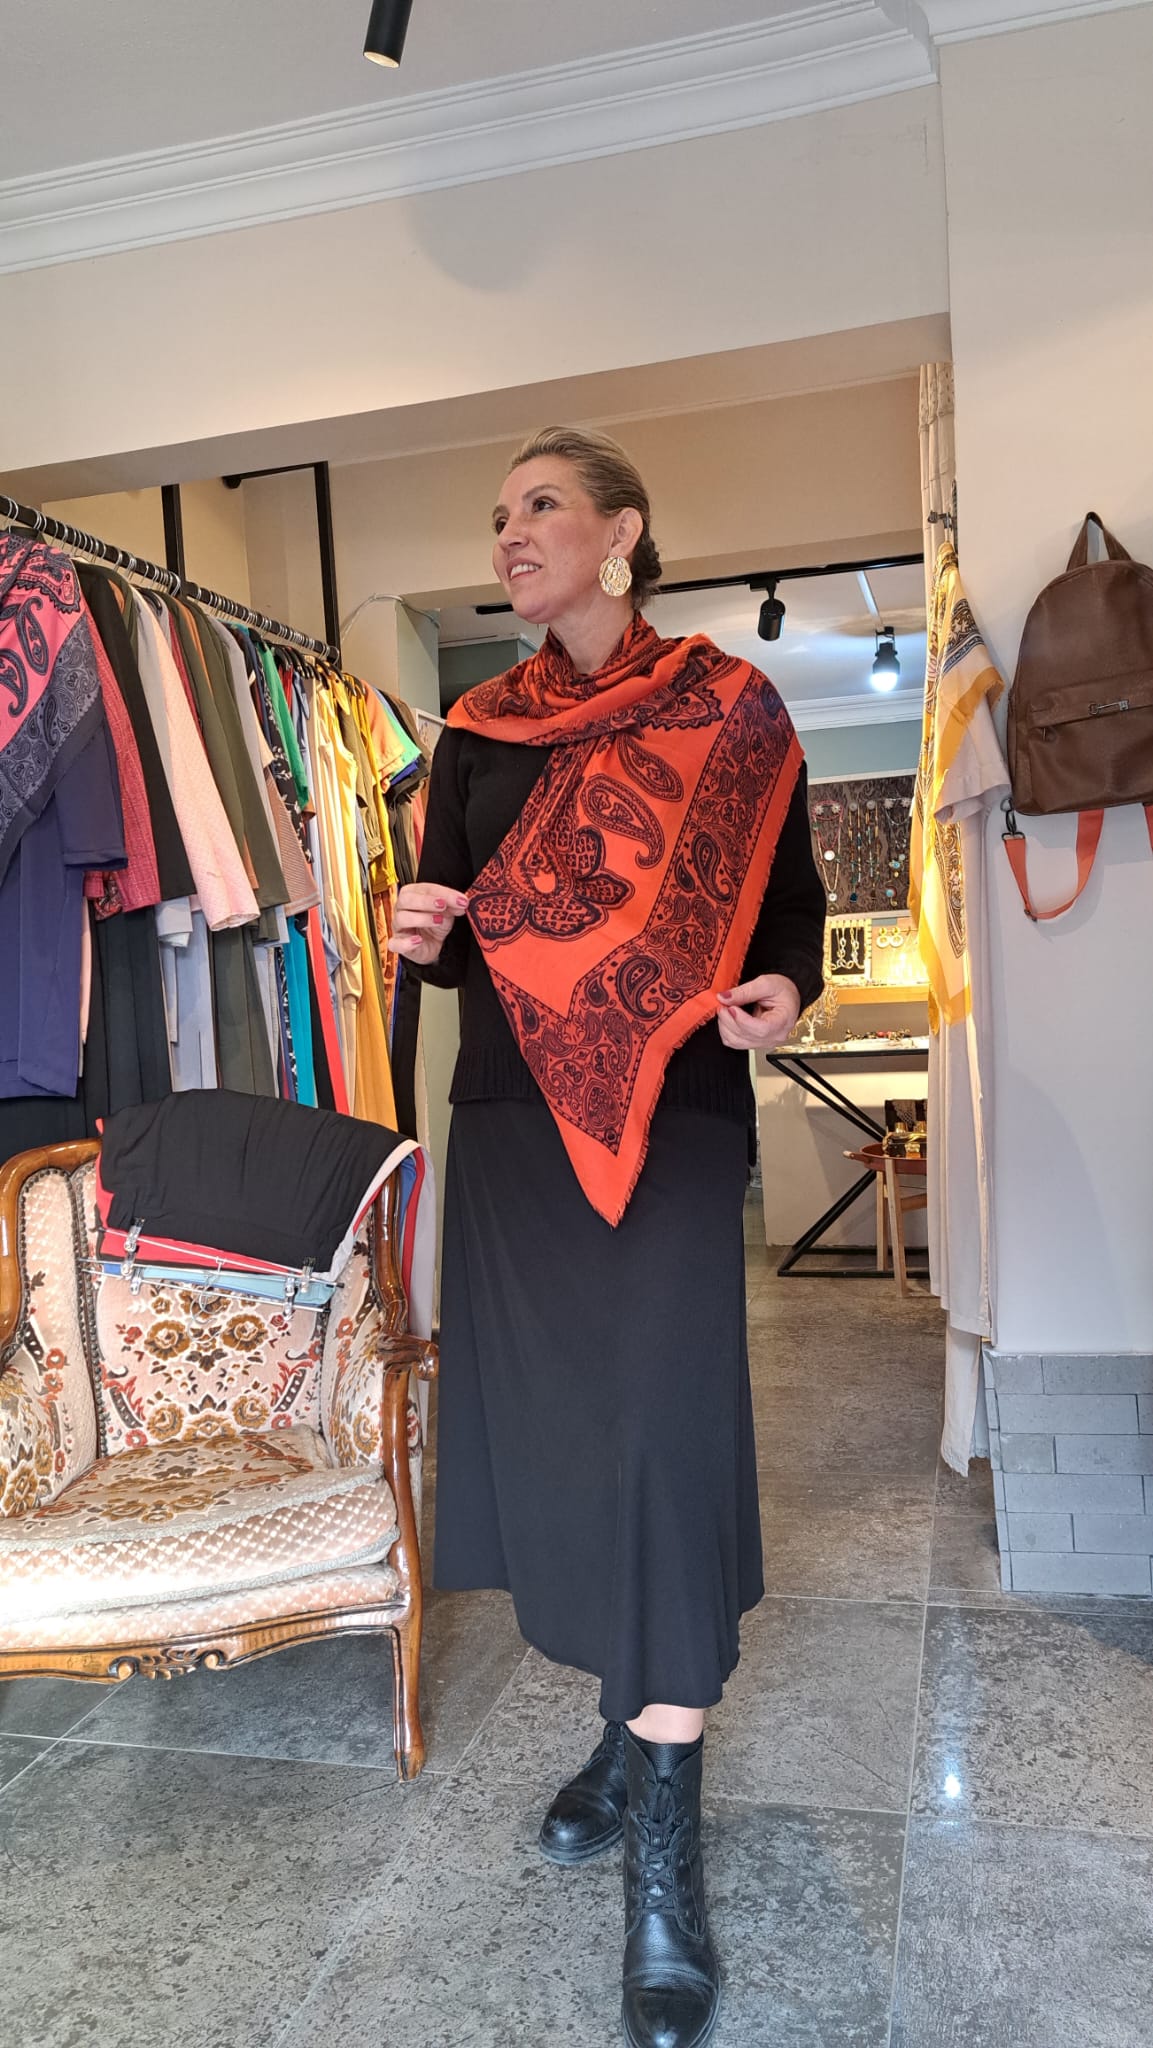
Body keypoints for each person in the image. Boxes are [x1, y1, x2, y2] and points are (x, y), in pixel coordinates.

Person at [390, 426, 825, 2048]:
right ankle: (624, 1734)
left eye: (543, 507)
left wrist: (785, 989)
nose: (511, 534)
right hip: (512, 1129)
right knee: (569, 1452)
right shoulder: (475, 733)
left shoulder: (731, 707)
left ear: (621, 531)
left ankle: (665, 1867)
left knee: (654, 1442)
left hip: (669, 1126)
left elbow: (785, 914)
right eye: (498, 515)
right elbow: (454, 935)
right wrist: (420, 928)